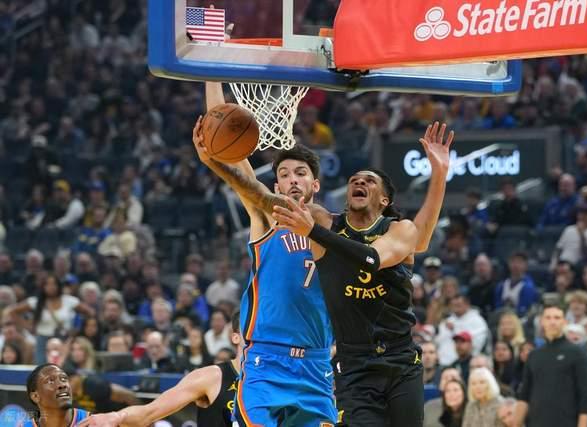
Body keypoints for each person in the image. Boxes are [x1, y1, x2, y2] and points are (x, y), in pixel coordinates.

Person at [271, 124, 453, 426]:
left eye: (369, 181)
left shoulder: (400, 230)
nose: (359, 182)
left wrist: (439, 173)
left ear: (384, 200)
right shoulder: (325, 222)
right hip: (354, 366)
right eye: (354, 180)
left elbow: (371, 259)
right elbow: (270, 199)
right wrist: (223, 159)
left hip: (400, 360)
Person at [192, 82, 336, 426]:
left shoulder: (335, 229)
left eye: (301, 173)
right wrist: (211, 76)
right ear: (275, 187)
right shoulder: (266, 217)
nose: (293, 180)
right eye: (284, 175)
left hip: (315, 364)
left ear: (316, 184)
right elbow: (226, 145)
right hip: (266, 360)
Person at [79, 311, 243, 427]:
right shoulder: (211, 376)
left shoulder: (262, 382)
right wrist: (117, 416)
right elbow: (148, 413)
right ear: (235, 336)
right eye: (252, 329)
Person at [514, 303, 587, 427]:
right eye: (548, 318)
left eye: (557, 318)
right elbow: (524, 395)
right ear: (542, 322)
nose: (552, 322)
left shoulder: (577, 353)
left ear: (565, 322)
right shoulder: (534, 355)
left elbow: (585, 395)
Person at [22, 364, 90, 427]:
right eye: (50, 381)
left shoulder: (91, 422)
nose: (62, 385)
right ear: (35, 396)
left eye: (63, 379)